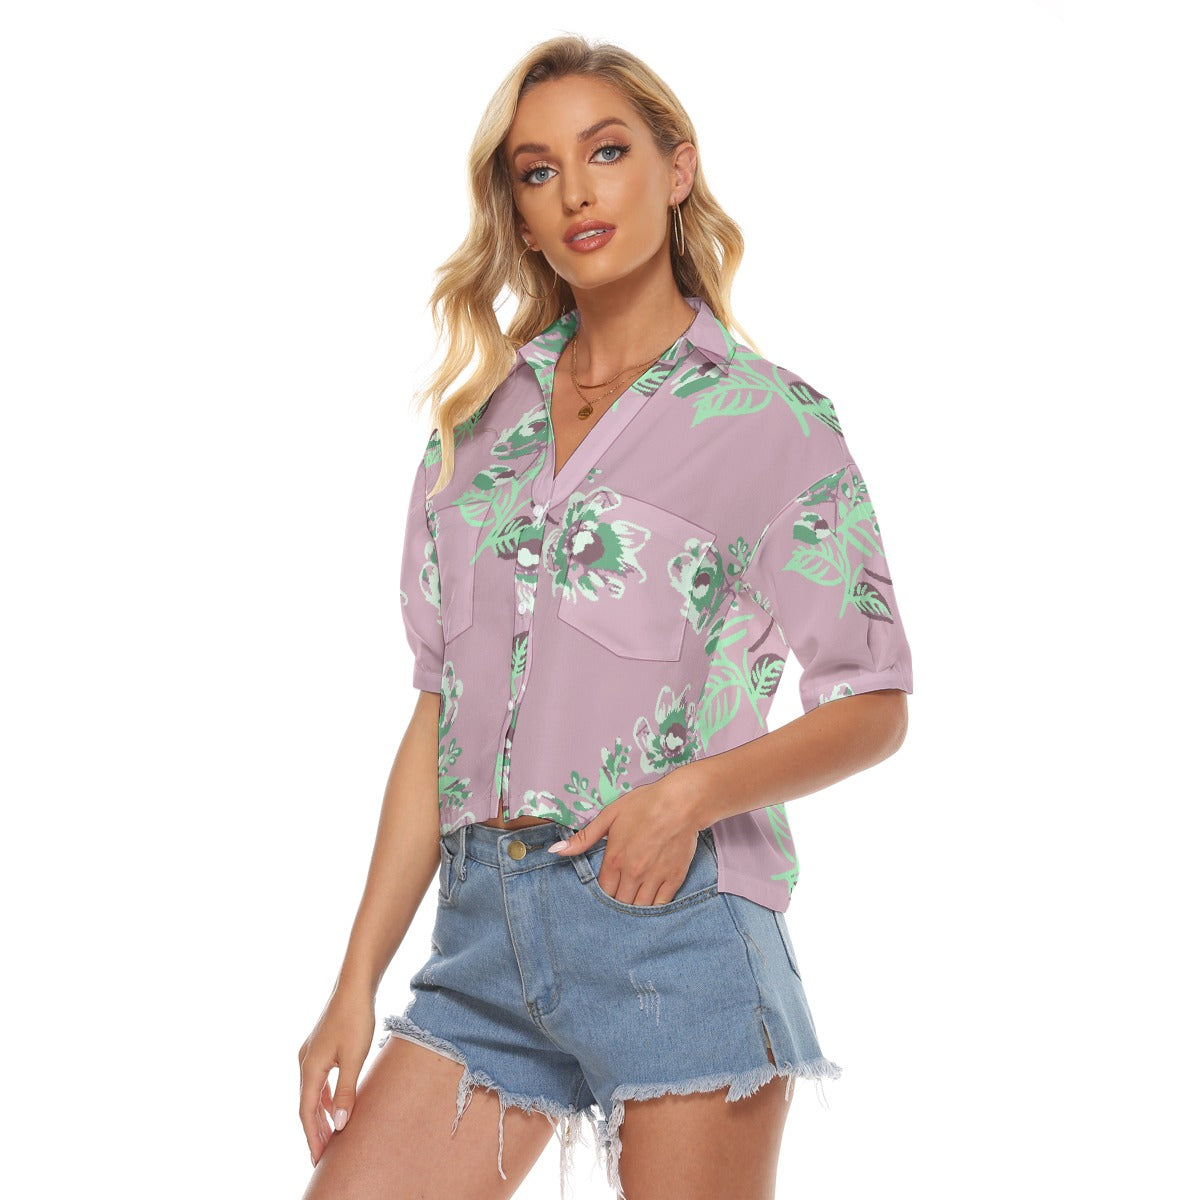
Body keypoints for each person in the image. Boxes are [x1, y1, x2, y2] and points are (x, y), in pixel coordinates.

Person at [298, 33, 913, 1200]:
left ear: (678, 169)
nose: (576, 191)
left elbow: (874, 702)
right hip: (480, 950)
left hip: (676, 934)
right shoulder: (475, 436)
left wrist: (689, 796)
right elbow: (439, 715)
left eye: (608, 151)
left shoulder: (772, 424)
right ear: (522, 219)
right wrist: (354, 983)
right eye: (538, 171)